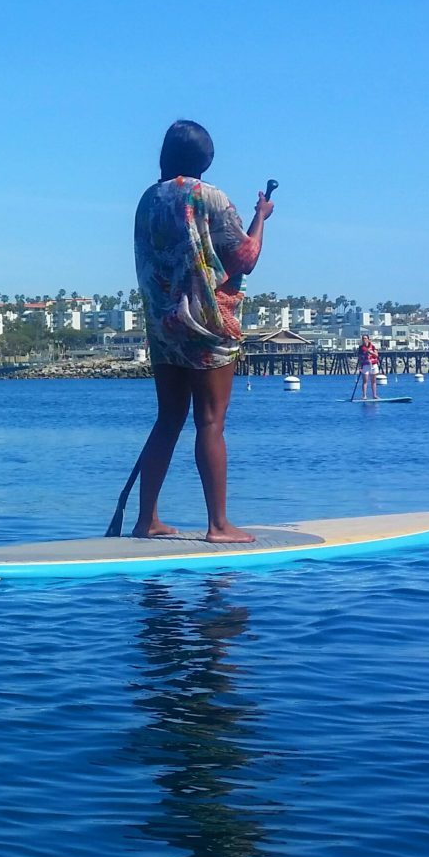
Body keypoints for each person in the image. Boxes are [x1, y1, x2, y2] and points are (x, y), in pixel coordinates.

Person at [130, 120, 272, 543]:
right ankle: (218, 526)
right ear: (204, 159)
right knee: (210, 420)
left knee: (168, 419)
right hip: (208, 324)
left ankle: (146, 520)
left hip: (163, 325)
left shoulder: (148, 199)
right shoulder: (209, 196)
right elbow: (244, 258)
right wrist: (260, 218)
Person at [355, 334, 380, 400]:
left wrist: (370, 352)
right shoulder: (361, 348)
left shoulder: (373, 346)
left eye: (365, 338)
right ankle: (364, 396)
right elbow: (359, 358)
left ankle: (374, 395)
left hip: (373, 365)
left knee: (373, 381)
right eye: (363, 338)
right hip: (365, 365)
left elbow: (376, 355)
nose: (364, 340)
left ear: (368, 339)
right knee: (365, 381)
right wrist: (360, 367)